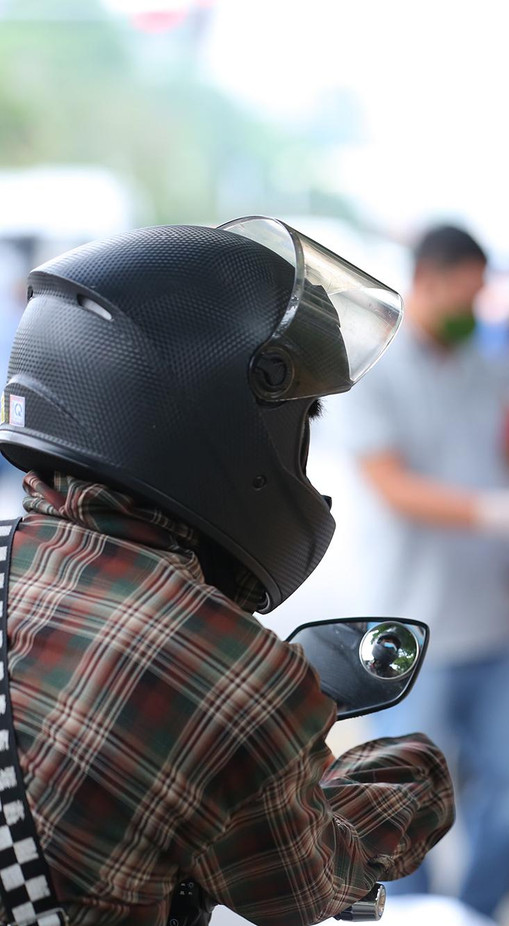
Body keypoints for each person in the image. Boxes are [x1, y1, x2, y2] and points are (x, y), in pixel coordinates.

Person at [0, 218, 454, 925]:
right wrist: (414, 774)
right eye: (300, 422)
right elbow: (304, 884)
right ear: (214, 423)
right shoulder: (227, 671)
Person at [350, 225, 509, 918]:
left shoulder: (486, 367)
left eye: (482, 292)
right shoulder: (377, 370)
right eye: (465, 291)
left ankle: (479, 911)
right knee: (402, 801)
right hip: (409, 627)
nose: (476, 306)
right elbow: (391, 485)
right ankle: (410, 914)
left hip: (491, 617)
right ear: (427, 280)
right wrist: (496, 513)